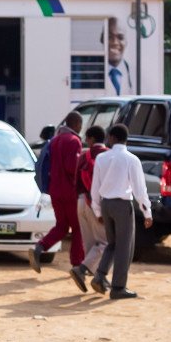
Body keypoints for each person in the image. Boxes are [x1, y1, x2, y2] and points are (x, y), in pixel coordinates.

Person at [90, 124, 152, 300]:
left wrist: (97, 211)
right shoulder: (132, 159)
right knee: (125, 247)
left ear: (112, 138)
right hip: (123, 206)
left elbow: (95, 187)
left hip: (106, 204)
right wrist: (147, 213)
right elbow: (140, 189)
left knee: (112, 243)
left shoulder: (102, 158)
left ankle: (100, 276)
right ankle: (118, 287)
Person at [30, 112, 84, 273]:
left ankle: (39, 247)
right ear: (75, 124)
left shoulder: (55, 140)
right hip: (70, 192)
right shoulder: (74, 141)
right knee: (77, 227)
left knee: (61, 226)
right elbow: (71, 167)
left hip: (55, 190)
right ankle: (77, 264)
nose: (80, 128)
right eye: (80, 125)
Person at [69, 125, 110, 293]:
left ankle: (100, 278)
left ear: (91, 139)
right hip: (96, 202)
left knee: (91, 244)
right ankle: (82, 270)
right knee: (106, 243)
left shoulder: (84, 156)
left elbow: (75, 181)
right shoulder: (107, 155)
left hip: (80, 202)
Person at [104, 18, 135, 96]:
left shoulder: (136, 74)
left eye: (120, 37)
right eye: (109, 37)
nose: (115, 43)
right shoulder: (88, 74)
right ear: (102, 40)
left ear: (126, 42)